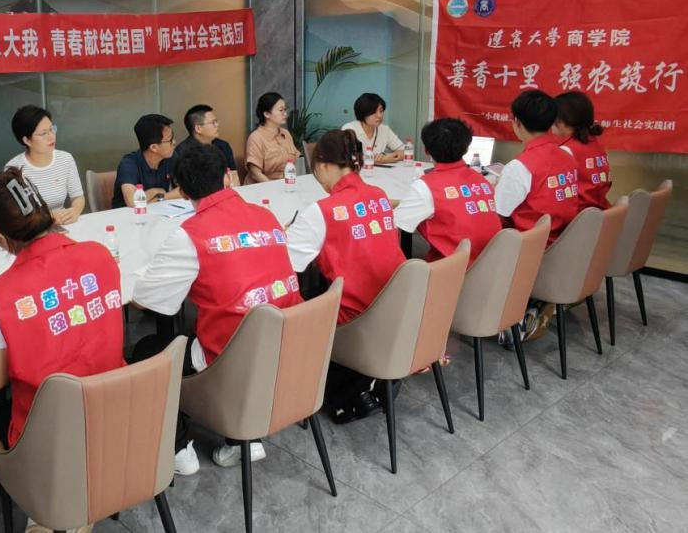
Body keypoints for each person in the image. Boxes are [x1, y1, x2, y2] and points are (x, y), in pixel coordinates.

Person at [131, 142, 303, 473]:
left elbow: (149, 301)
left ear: (182, 191)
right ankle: (243, 440)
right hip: (287, 341)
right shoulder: (266, 216)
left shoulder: (190, 235)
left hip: (234, 358)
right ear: (227, 177)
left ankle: (179, 449)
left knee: (148, 351)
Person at [0, 167, 124, 452]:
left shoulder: (1, 293)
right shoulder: (100, 254)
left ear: (0, 238)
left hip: (48, 438)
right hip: (114, 412)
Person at [286, 129, 406, 423]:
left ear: (324, 165)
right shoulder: (379, 196)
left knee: (296, 300)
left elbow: (286, 262)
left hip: (354, 316)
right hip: (395, 306)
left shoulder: (322, 211)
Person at [394, 118, 502, 262]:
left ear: (426, 150)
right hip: (492, 263)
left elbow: (395, 224)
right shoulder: (482, 181)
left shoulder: (426, 187)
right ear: (466, 148)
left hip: (453, 268)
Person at [494, 90, 580, 245]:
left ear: (517, 122)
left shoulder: (519, 167)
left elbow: (496, 214)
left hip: (526, 247)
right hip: (561, 242)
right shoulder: (567, 154)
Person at [5, 105, 85, 224]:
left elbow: (78, 197)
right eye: (43, 133)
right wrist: (50, 218)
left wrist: (75, 211)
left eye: (52, 129)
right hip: (32, 229)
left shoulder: (65, 159)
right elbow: (17, 215)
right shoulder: (14, 169)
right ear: (27, 140)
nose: (51, 136)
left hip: (63, 224)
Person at [553, 91, 612, 210]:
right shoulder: (597, 145)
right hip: (598, 212)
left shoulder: (566, 151)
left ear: (561, 121)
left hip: (576, 215)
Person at [111, 114, 182, 208]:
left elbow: (186, 189)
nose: (174, 142)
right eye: (170, 139)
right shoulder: (129, 164)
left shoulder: (171, 157)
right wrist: (156, 191)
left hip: (157, 211)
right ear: (153, 147)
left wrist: (161, 197)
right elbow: (133, 201)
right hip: (128, 215)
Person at [173, 104, 239, 186]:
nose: (217, 125)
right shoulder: (182, 152)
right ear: (198, 128)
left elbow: (234, 177)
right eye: (213, 122)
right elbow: (182, 186)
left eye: (216, 121)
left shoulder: (223, 146)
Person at [245, 92, 299, 184]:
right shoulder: (256, 138)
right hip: (261, 187)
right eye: (281, 110)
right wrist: (274, 187)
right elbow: (255, 174)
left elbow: (292, 165)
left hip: (284, 185)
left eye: (285, 109)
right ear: (267, 114)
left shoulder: (286, 134)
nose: (285, 114)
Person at [341, 93, 405, 163]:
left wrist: (389, 156)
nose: (379, 116)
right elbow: (345, 156)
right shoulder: (350, 129)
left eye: (381, 111)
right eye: (374, 112)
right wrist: (373, 159)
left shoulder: (384, 129)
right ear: (362, 113)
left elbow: (405, 151)